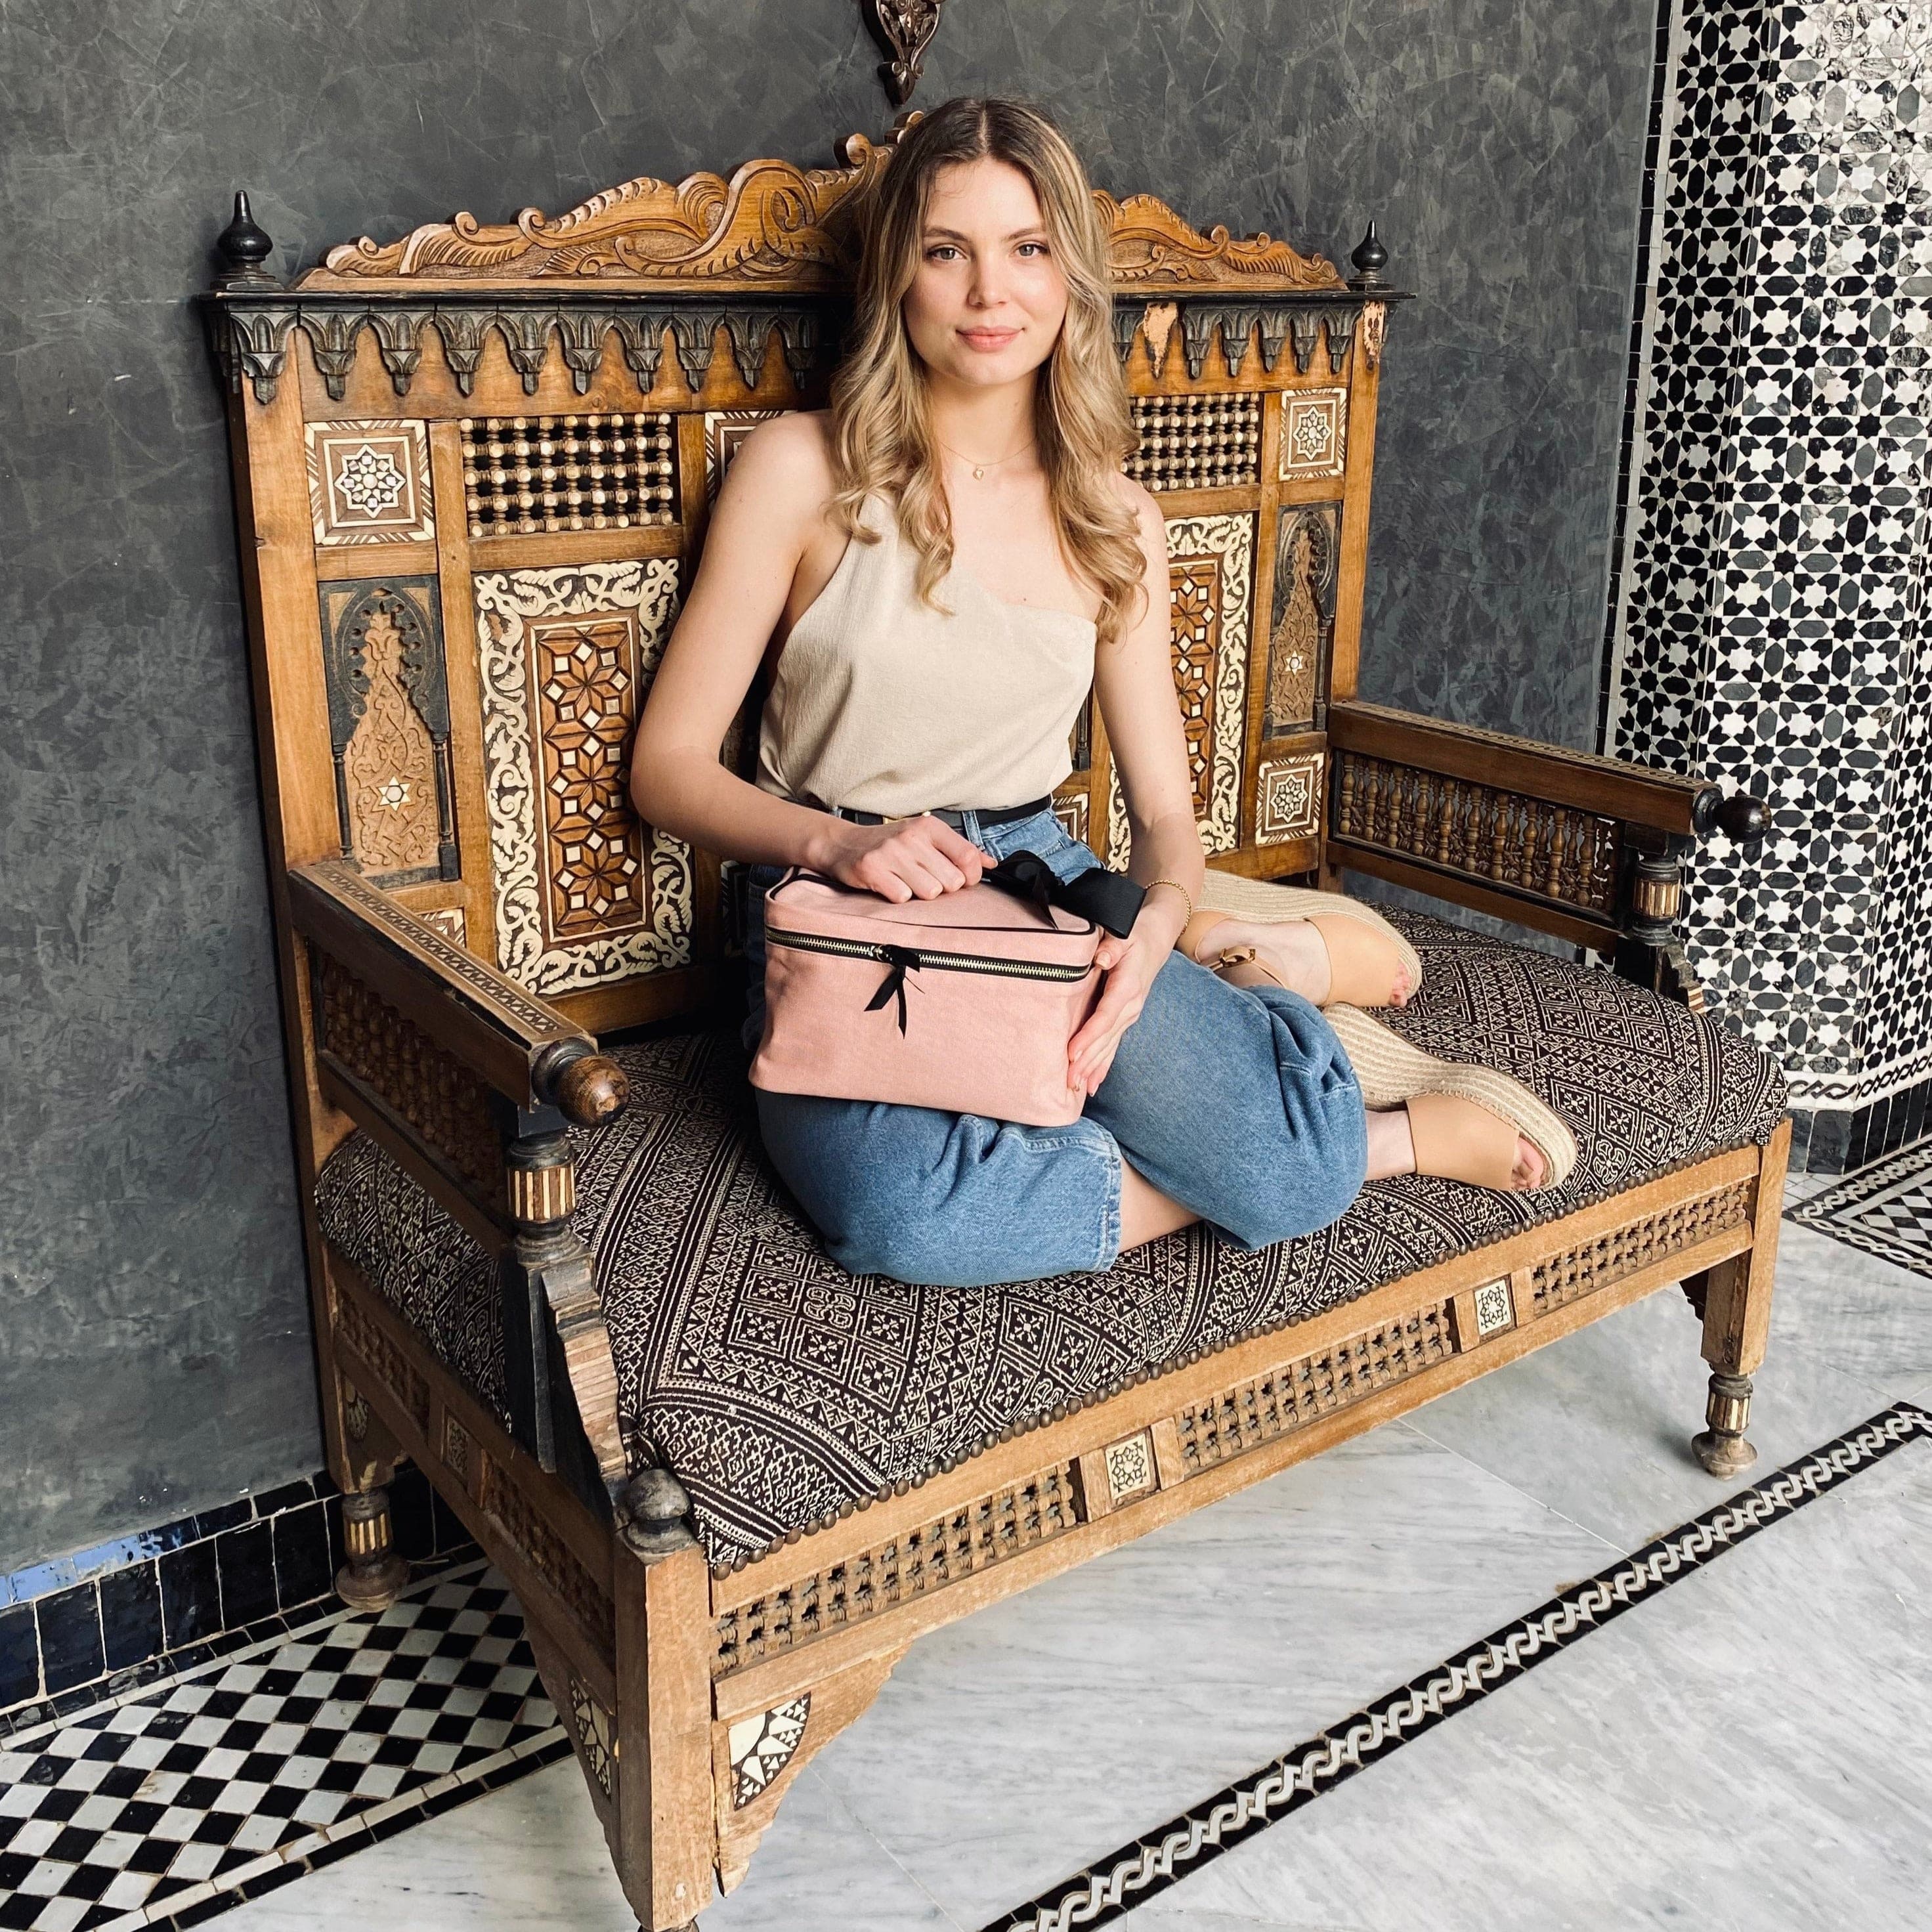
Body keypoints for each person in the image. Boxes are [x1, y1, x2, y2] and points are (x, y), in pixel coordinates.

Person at [631, 96, 1555, 1290]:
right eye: (946, 251)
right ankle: (1338, 1104)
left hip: (1039, 885)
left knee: (1292, 1175)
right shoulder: (802, 470)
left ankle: (1286, 1008)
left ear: (1070, 275)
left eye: (1027, 248)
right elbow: (668, 769)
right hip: (844, 903)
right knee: (905, 1219)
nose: (989, 292)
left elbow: (1166, 816)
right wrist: (839, 843)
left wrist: (1155, 929)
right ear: (898, 274)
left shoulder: (1112, 517)